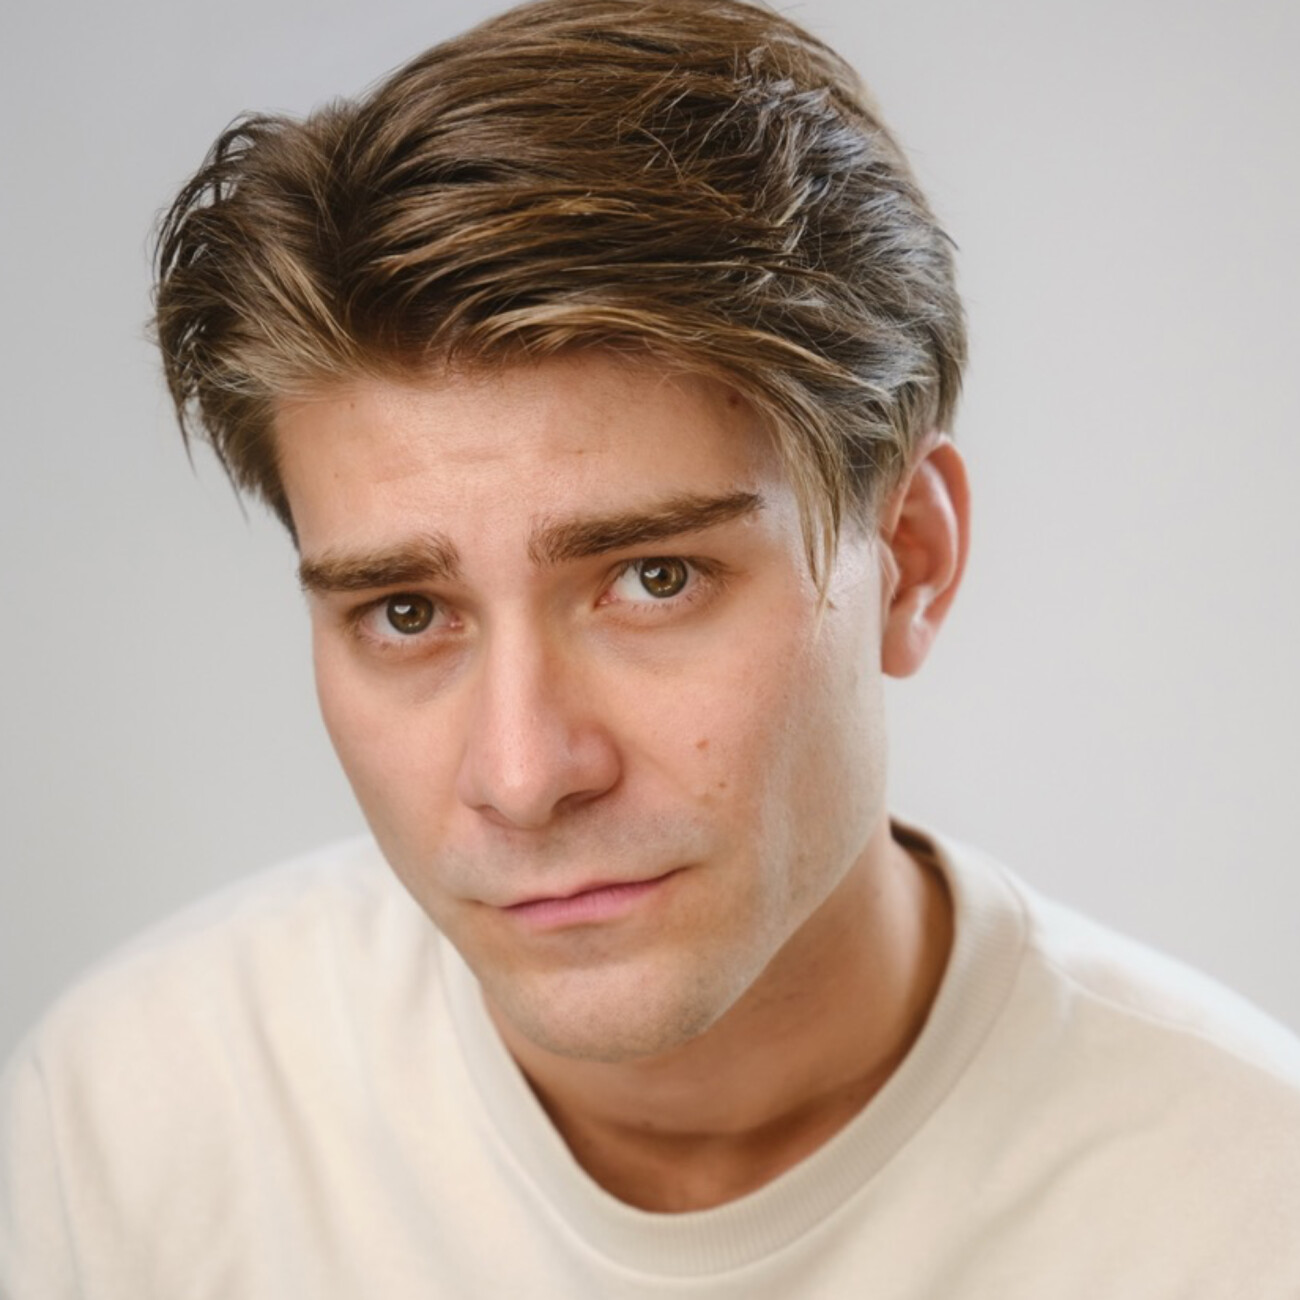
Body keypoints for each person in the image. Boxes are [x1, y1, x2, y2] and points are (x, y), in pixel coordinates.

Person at [2, 0, 1297, 1294]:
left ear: (908, 556)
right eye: (405, 612)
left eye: (654, 579)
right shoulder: (123, 1136)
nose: (523, 777)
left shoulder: (1248, 1205)